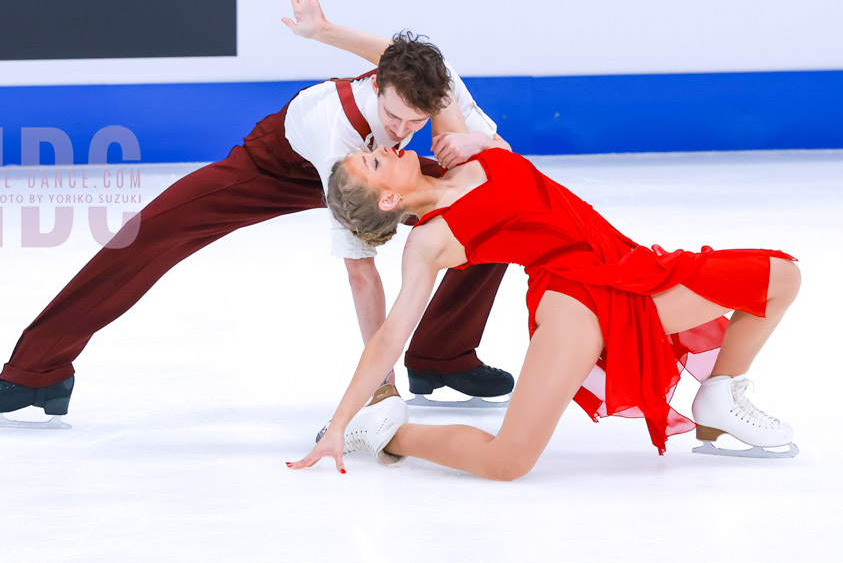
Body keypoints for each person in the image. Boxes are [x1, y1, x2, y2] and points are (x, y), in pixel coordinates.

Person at [0, 0, 514, 426]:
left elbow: (499, 160)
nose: (403, 130)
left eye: (415, 123)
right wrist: (379, 383)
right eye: (393, 117)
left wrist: (474, 141)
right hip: (276, 167)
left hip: (377, 169)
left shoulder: (435, 85)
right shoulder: (337, 128)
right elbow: (360, 272)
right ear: (375, 85)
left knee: (496, 209)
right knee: (147, 235)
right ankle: (37, 372)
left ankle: (443, 356)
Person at [288, 144, 801, 479]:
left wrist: (325, 31)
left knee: (782, 275)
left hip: (628, 266)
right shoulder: (428, 241)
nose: (383, 148)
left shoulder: (458, 150)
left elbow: (420, 66)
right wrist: (340, 422)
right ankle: (389, 433)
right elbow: (390, 336)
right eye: (374, 163)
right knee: (508, 460)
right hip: (573, 299)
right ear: (388, 200)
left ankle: (719, 395)